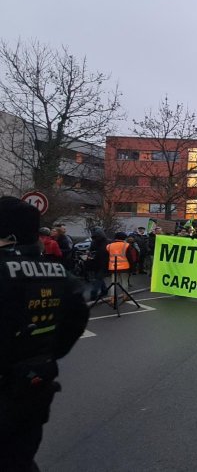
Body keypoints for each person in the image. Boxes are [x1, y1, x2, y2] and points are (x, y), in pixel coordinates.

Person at [0, 196, 88, 471]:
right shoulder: (60, 274)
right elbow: (76, 320)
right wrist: (45, 353)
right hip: (36, 385)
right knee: (21, 458)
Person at [85, 227, 109, 300]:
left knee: (98, 278)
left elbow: (91, 251)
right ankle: (104, 290)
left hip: (98, 262)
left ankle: (94, 294)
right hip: (102, 262)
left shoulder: (94, 242)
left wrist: (89, 255)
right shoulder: (107, 242)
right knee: (99, 278)